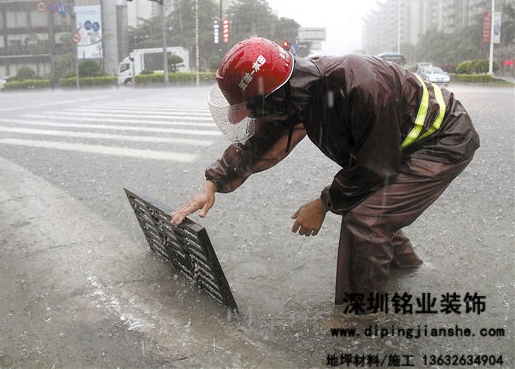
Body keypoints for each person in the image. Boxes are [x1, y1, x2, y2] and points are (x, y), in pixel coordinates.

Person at [171, 37, 480, 313]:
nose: (253, 117)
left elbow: (375, 168)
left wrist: (323, 204)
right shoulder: (295, 94)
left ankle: (362, 317)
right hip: (394, 143)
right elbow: (258, 146)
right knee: (374, 206)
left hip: (443, 139)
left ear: (270, 97)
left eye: (253, 110)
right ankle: (412, 270)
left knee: (366, 219)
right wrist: (212, 183)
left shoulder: (357, 84)